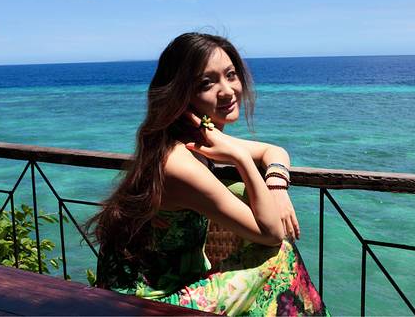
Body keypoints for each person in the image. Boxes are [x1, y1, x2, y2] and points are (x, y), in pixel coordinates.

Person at [88, 32, 328, 315]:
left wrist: (276, 186)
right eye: (206, 83)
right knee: (279, 255)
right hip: (141, 304)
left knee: (246, 198)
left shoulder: (194, 138)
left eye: (231, 75)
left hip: (169, 287)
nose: (227, 90)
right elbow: (273, 234)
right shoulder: (178, 162)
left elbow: (273, 151)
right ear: (180, 95)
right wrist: (241, 159)